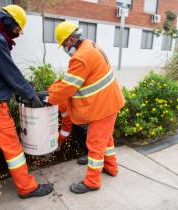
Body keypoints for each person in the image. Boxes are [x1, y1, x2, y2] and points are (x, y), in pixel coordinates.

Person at [0, 5, 53, 199]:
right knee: (12, 146)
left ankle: (14, 175)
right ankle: (26, 187)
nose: (17, 35)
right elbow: (10, 72)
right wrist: (31, 96)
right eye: (16, 30)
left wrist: (20, 87)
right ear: (9, 22)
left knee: (5, 141)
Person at [46, 21, 125, 194]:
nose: (66, 48)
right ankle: (111, 168)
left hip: (103, 106)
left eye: (65, 44)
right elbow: (71, 78)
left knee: (95, 143)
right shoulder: (89, 45)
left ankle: (92, 181)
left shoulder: (81, 57)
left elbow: (68, 86)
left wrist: (50, 98)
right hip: (108, 102)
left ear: (72, 39)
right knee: (106, 140)